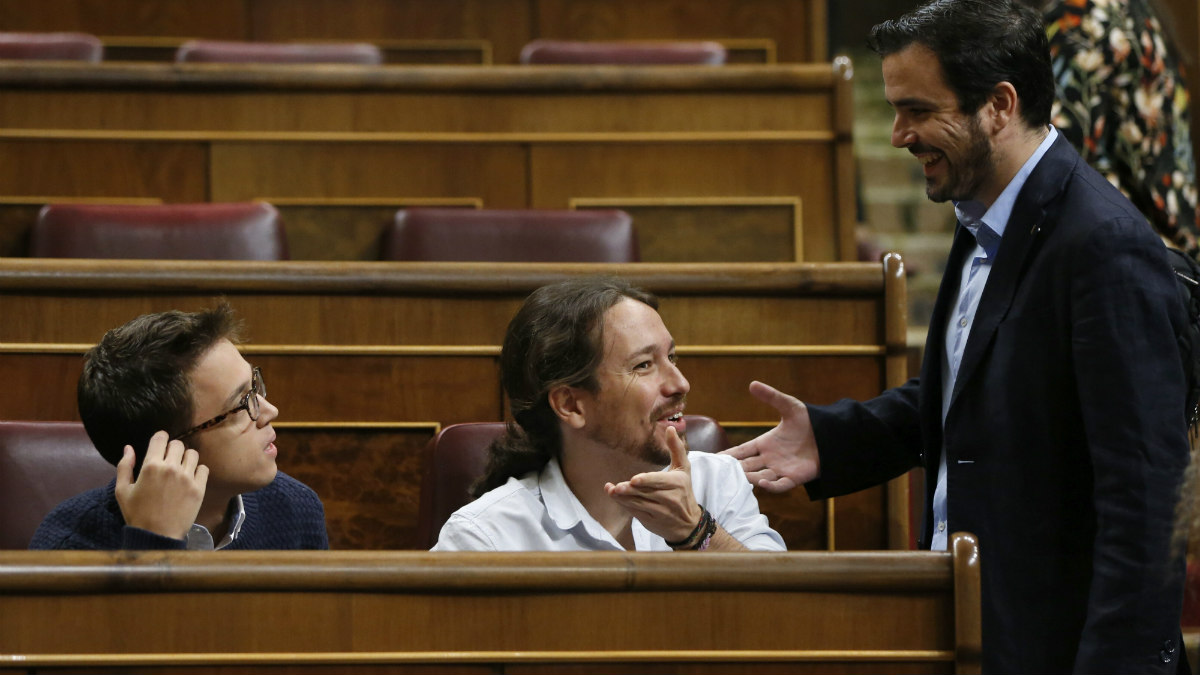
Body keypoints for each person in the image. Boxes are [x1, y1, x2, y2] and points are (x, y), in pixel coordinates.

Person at [721, 1, 1189, 672]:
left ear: (999, 104)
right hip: (979, 633)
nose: (898, 135)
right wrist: (832, 437)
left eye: (917, 110)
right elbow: (983, 390)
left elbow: (1147, 505)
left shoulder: (1103, 247)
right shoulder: (983, 217)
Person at [432, 277, 784, 552]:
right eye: (643, 365)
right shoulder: (487, 537)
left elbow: (789, 619)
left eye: (672, 358)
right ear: (571, 405)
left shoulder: (717, 482)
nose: (680, 383)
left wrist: (697, 531)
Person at [30, 304, 329, 550]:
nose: (269, 411)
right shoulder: (70, 545)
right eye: (241, 405)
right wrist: (154, 543)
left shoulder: (296, 509)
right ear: (166, 451)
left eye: (255, 386)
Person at [1023, 0, 1200, 260]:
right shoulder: (1100, 11)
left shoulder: (1086, 14)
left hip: (1144, 255)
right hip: (1147, 249)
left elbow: (1052, 159)